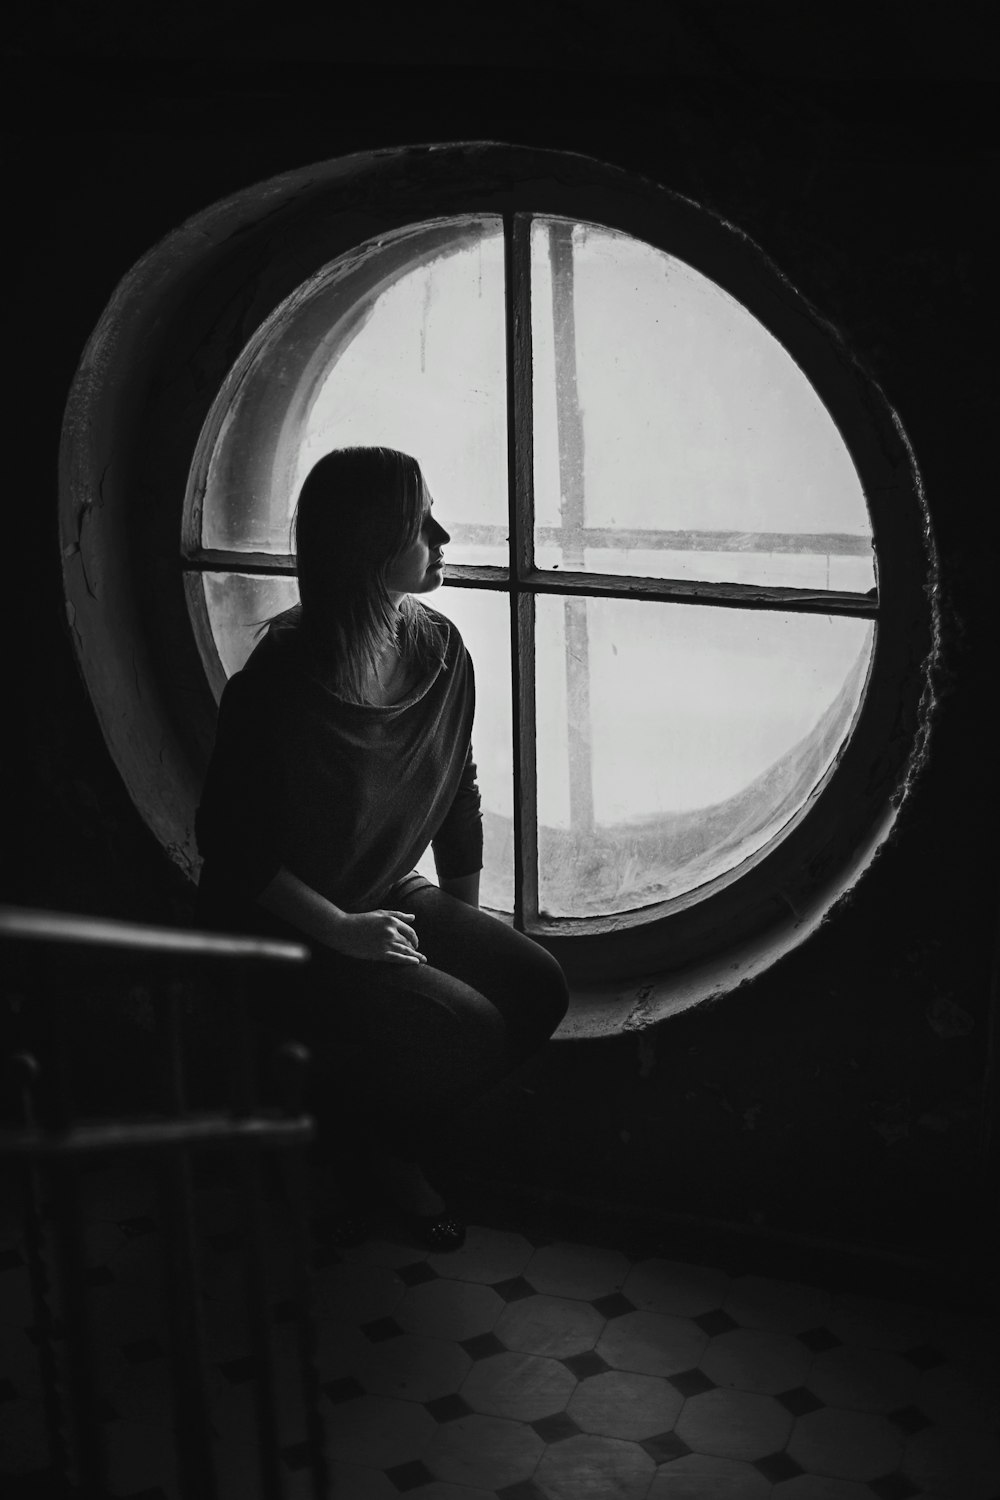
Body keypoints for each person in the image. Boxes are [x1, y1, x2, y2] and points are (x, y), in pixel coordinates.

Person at [195, 446, 569, 1249]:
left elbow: (456, 797)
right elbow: (229, 849)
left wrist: (461, 926)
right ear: (368, 541)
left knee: (536, 987)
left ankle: (365, 1128)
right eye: (418, 521)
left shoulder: (439, 651)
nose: (443, 534)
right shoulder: (280, 681)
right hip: (287, 927)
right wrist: (342, 932)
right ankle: (376, 1150)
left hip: (387, 896)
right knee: (466, 1029)